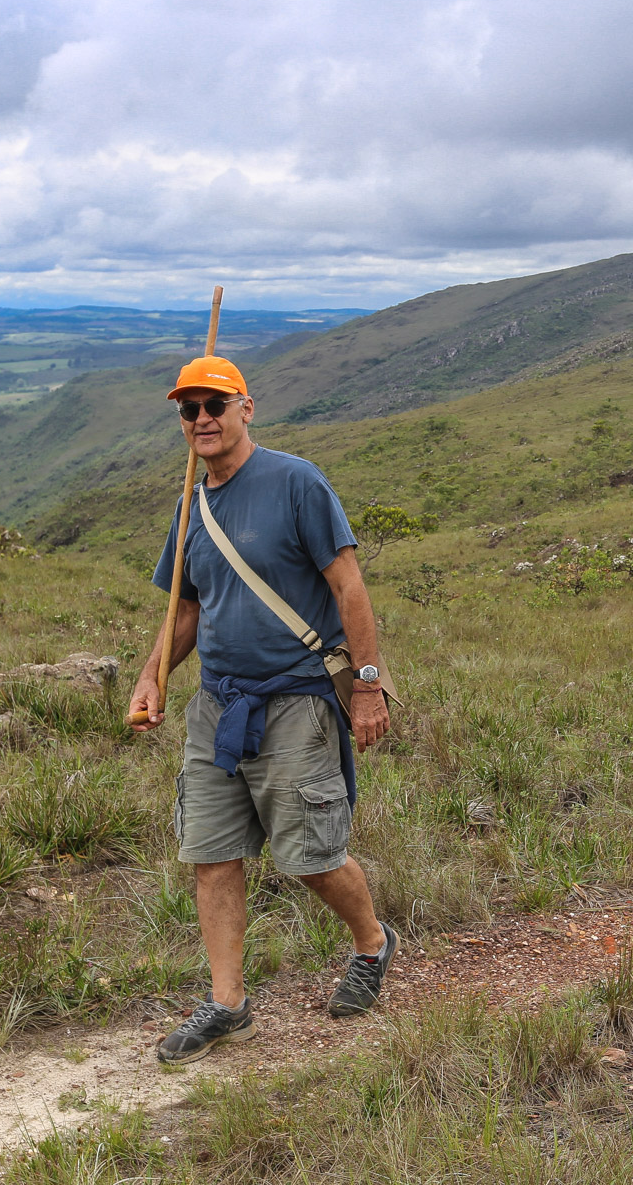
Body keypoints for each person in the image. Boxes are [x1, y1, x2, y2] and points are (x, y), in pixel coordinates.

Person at [128, 354, 397, 1064]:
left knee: (308, 856)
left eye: (215, 404)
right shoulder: (192, 506)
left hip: (298, 703)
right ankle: (227, 1005)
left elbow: (350, 589)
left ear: (248, 407)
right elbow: (187, 607)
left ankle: (372, 944)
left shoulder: (296, 482)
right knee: (212, 856)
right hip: (218, 707)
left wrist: (367, 687)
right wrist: (152, 674)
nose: (202, 419)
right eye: (189, 409)